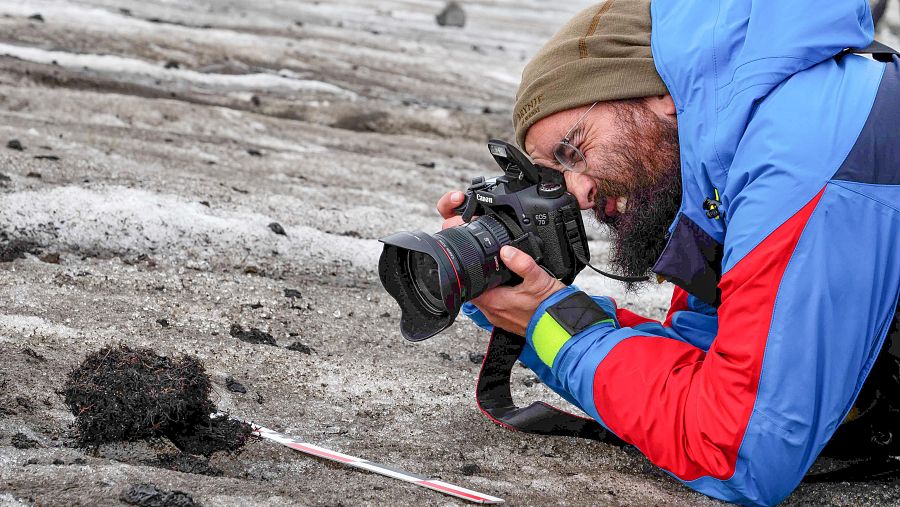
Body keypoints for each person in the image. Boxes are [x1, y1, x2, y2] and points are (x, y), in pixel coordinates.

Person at [436, 1, 900, 505]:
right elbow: (699, 365)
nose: (578, 194)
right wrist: (524, 311)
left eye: (573, 149)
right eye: (554, 178)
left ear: (661, 93)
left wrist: (550, 323)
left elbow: (739, 447)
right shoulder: (724, 170)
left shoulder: (800, 151)